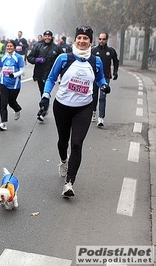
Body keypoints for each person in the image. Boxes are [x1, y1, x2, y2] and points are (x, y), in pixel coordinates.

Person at [39, 26, 109, 197]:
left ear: (90, 42)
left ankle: (69, 183)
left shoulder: (95, 61)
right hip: (62, 106)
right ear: (75, 40)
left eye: (85, 38)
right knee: (63, 142)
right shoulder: (64, 58)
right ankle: (64, 160)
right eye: (79, 38)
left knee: (76, 144)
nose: (82, 41)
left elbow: (99, 78)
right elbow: (51, 78)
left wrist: (104, 85)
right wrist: (46, 96)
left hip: (84, 108)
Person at [27, 29, 63, 120]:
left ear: (51, 37)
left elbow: (63, 60)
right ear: (43, 37)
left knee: (46, 92)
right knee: (42, 92)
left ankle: (43, 111)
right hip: (39, 73)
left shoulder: (56, 48)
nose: (47, 38)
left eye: (49, 36)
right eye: (46, 36)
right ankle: (44, 107)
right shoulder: (37, 46)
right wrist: (37, 60)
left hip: (50, 75)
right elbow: (29, 57)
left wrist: (60, 71)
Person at [0, 40, 25, 131]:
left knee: (11, 102)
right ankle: (3, 123)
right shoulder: (3, 57)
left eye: (11, 46)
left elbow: (22, 70)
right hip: (3, 83)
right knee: (3, 102)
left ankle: (17, 109)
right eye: (8, 46)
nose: (9, 47)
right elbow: (0, 67)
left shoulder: (18, 57)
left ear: (14, 47)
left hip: (14, 85)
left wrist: (14, 75)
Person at [91, 32, 119, 127]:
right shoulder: (93, 50)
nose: (101, 41)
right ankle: (94, 111)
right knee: (94, 96)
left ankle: (101, 118)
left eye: (103, 39)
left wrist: (115, 72)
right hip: (94, 77)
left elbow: (116, 60)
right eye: (100, 39)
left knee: (102, 97)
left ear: (106, 40)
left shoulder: (111, 51)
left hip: (105, 77)